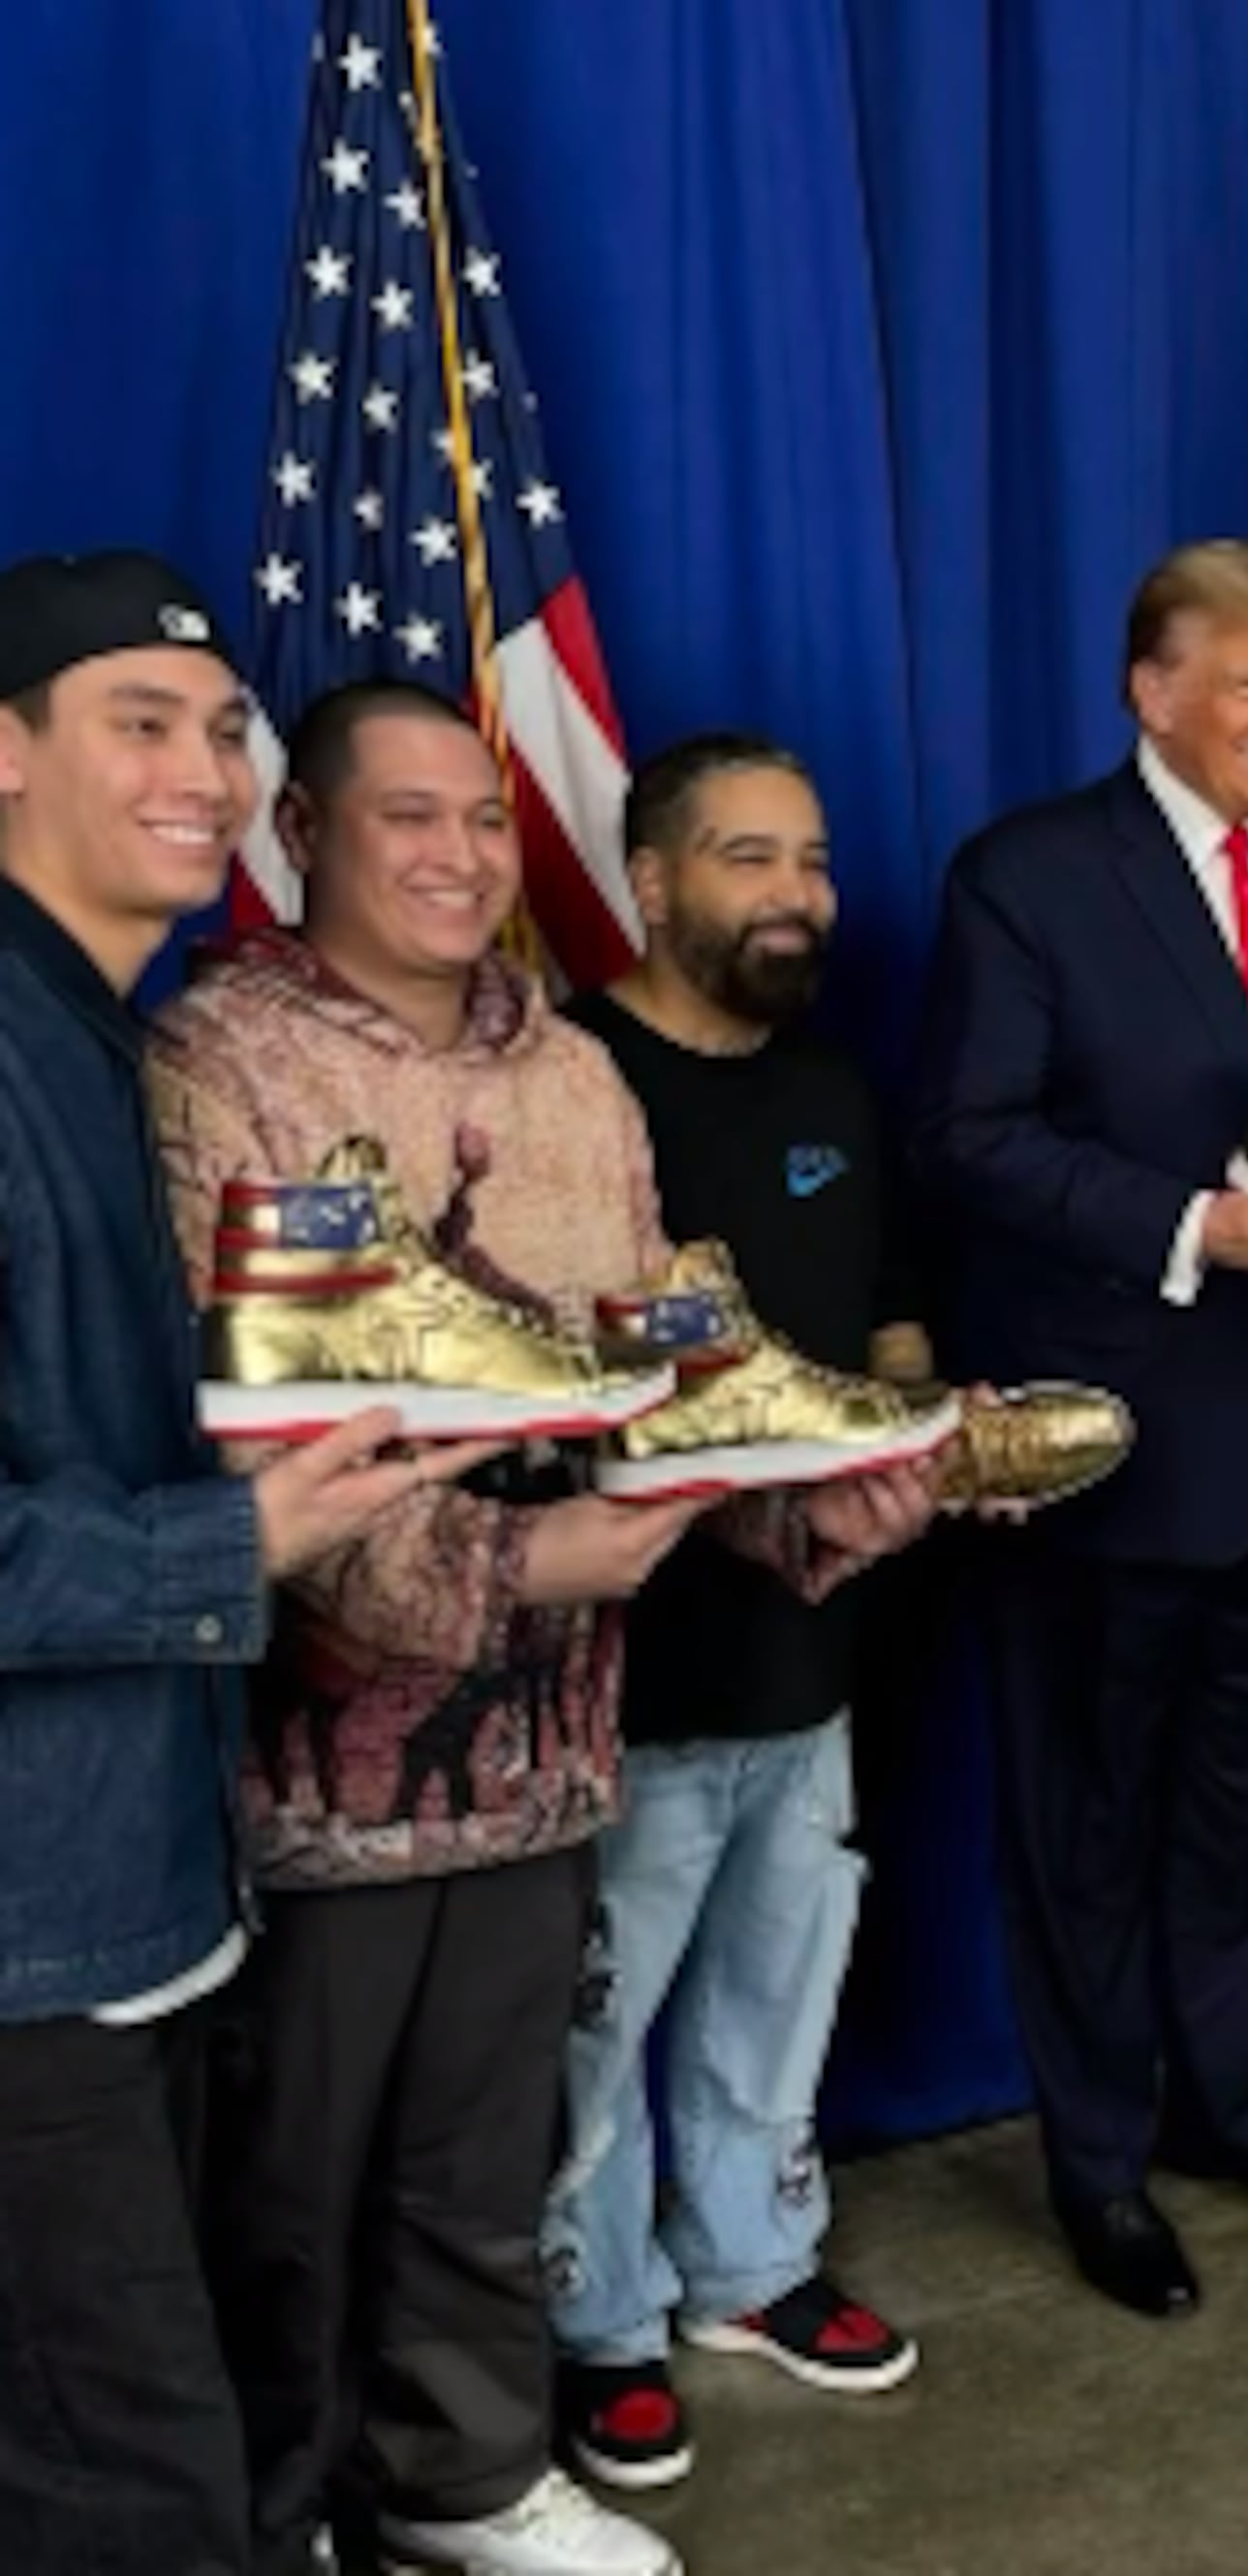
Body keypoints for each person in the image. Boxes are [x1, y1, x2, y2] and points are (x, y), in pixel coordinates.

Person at [146, 679, 933, 2576]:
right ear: (303, 834)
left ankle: (467, 2475)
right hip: (322, 1768)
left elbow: (665, 1371)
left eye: (485, 817)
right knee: (291, 2170)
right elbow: (220, 1431)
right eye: (407, 815)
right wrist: (511, 1565)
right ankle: (278, 2516)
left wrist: (786, 1514)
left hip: (562, 1735)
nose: (458, 854)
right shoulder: (215, 1059)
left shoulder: (573, 1069)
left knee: (488, 2148)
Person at [0, 554, 464, 2574]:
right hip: (32, 1953)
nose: (203, 770)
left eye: (220, 728)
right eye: (140, 723)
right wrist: (235, 1538)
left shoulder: (97, 1036)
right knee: (136, 2494)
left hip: (144, 1884)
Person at [911, 540, 1248, 2316]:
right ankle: (1103, 2164)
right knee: (1091, 1821)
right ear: (1153, 690)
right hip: (1115, 1446)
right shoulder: (1033, 875)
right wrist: (1197, 1223)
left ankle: (1244, 2112)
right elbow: (969, 1137)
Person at [545, 733, 937, 2491]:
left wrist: (921, 1443)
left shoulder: (837, 1089)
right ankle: (599, 2321)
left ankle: (751, 2266)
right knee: (596, 2017)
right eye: (750, 857)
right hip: (625, 1666)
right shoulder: (569, 1083)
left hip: (814, 1649)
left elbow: (893, 1317)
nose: (798, 896)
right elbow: (551, 1384)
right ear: (650, 881)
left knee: (783, 1979)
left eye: (815, 860)